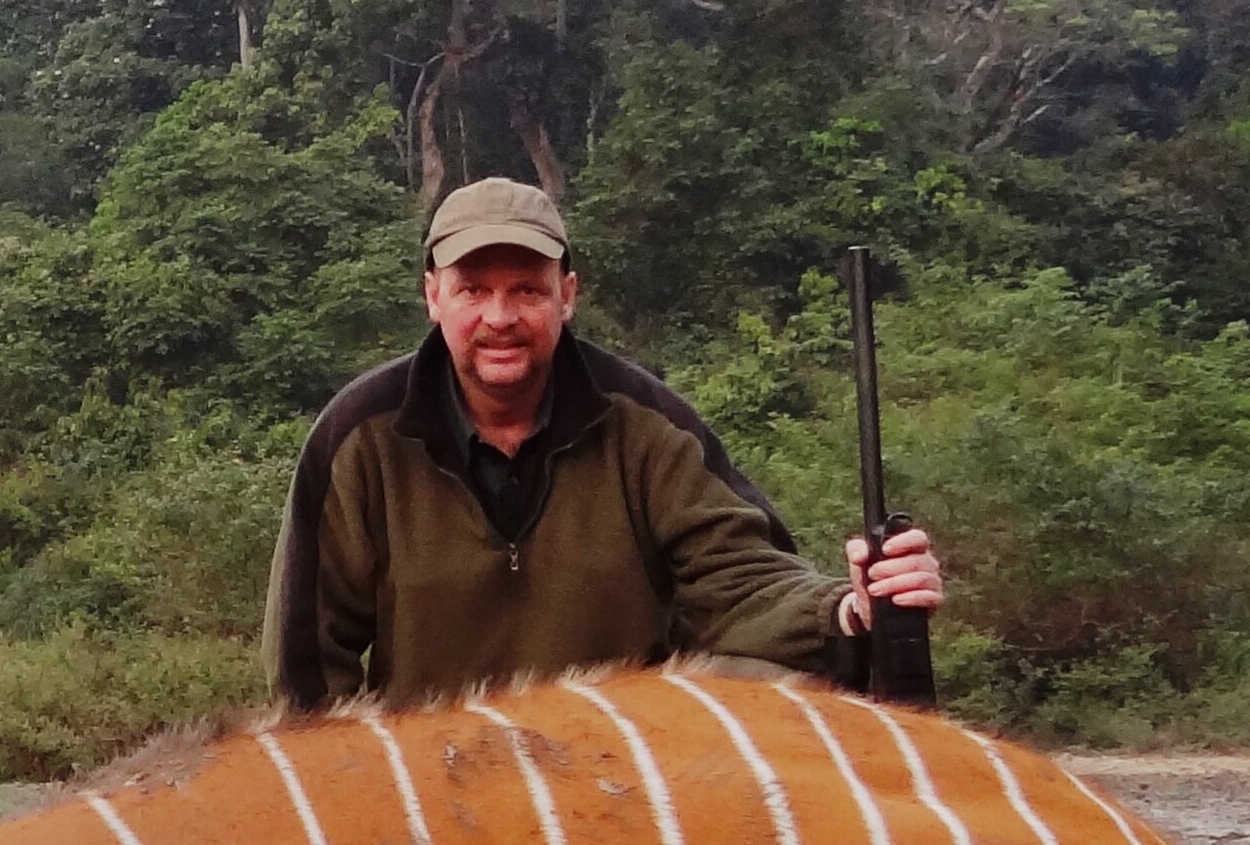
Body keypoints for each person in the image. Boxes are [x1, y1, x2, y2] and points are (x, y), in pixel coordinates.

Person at [264, 178, 950, 711]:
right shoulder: (360, 437)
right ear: (432, 296)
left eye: (527, 291)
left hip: (619, 784)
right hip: (432, 790)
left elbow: (740, 582)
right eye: (473, 289)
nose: (499, 318)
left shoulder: (647, 425)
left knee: (769, 692)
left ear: (567, 296)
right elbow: (306, 661)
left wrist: (854, 607)